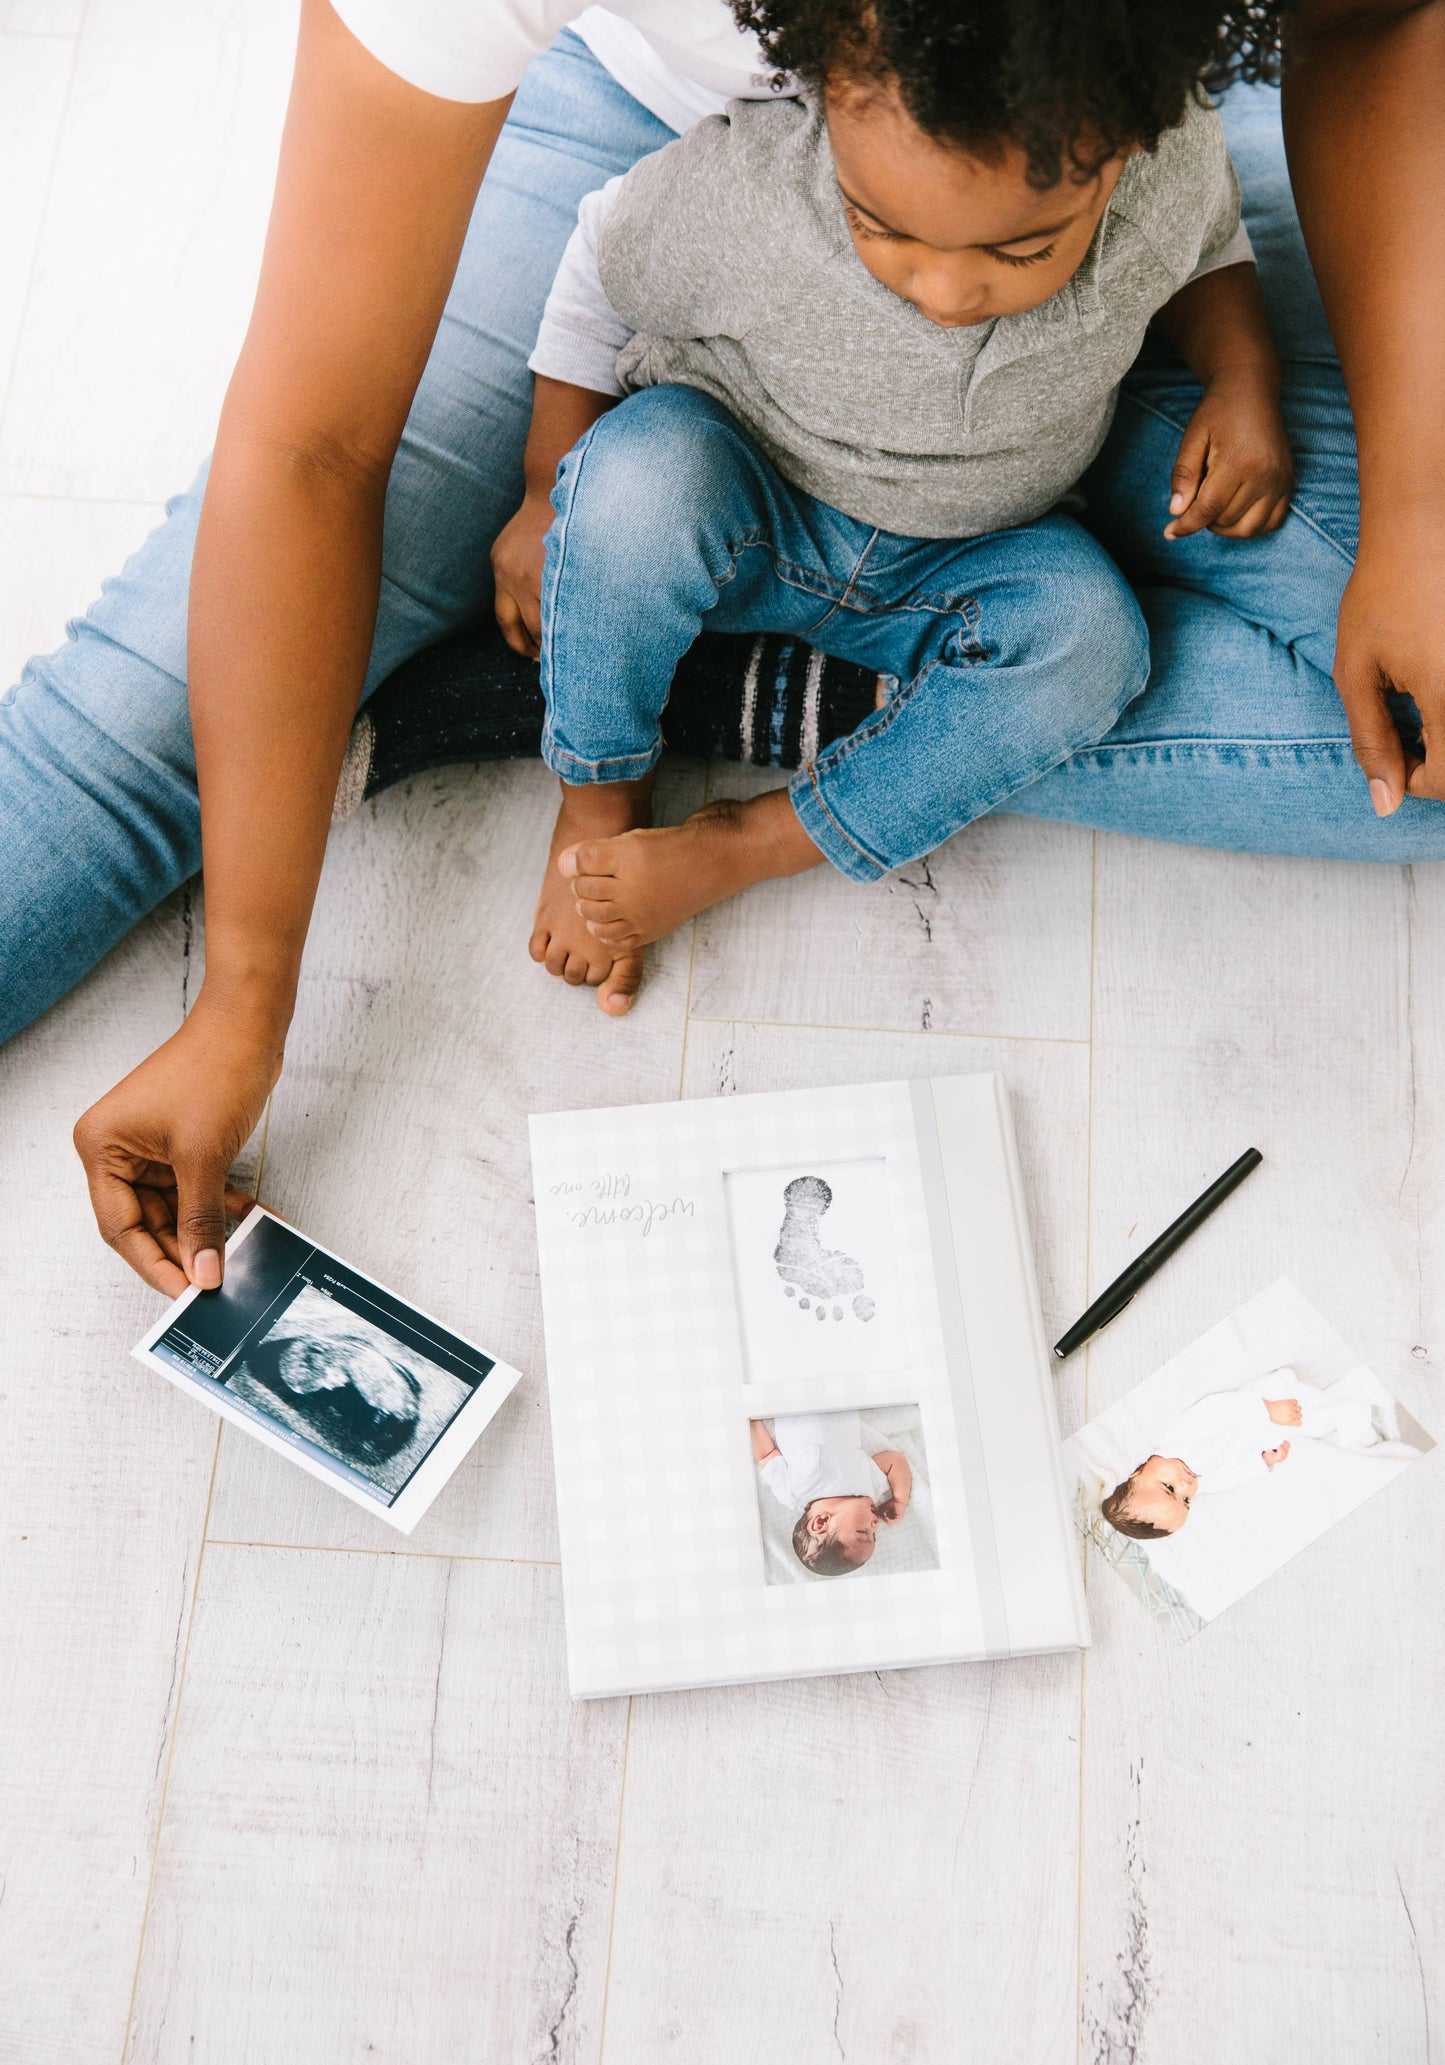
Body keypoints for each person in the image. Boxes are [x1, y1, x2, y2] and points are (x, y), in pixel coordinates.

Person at [0, 0, 1435, 1297]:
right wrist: (247, 993)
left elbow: (1369, 34)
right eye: (908, 253)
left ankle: (698, 659)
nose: (935, 291)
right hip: (664, 186)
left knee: (1406, 742)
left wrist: (1414, 515)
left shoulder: (1136, 156)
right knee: (142, 735)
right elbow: (312, 445)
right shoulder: (708, 192)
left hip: (1084, 165)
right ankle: (619, 617)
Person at [496, 34, 1290, 997]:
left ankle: (752, 841)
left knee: (1092, 640)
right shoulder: (756, 188)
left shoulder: (1167, 166)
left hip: (962, 559)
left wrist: (1241, 378)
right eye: (884, 230)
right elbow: (600, 260)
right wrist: (547, 486)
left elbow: (1209, 246)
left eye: (1021, 248)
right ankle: (599, 794)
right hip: (747, 500)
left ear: (1123, 157)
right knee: (634, 481)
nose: (945, 292)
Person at [1100, 1366, 1381, 1537]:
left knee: (1315, 1414)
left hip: (1264, 1402)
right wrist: (1263, 1462)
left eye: (1169, 1488)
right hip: (1265, 1433)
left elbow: (1217, 1411)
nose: (1186, 1486)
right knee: (1315, 1425)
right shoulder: (1198, 1481)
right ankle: (1353, 1410)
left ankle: (1359, 1398)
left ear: (1137, 1470)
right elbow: (1231, 1478)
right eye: (1186, 1501)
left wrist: (1268, 1410)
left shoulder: (1175, 1441)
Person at [750, 1411, 912, 1576]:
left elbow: (766, 1455)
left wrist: (753, 1421)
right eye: (874, 1535)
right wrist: (899, 1500)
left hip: (792, 1405)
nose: (875, 1525)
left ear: (821, 1522)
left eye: (863, 1532)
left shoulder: (792, 1494)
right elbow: (894, 1461)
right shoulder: (868, 1489)